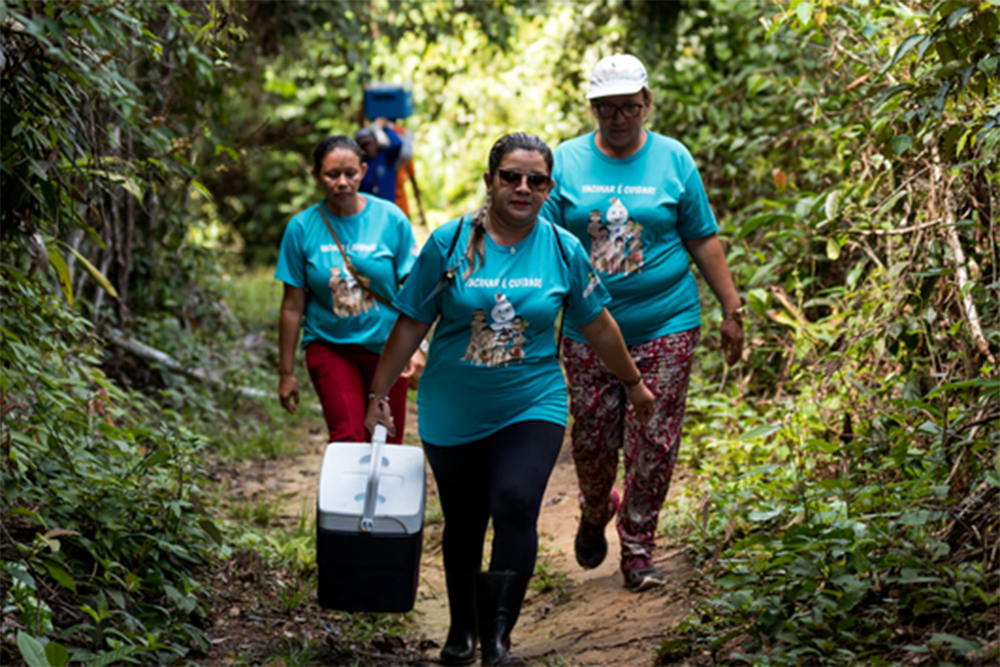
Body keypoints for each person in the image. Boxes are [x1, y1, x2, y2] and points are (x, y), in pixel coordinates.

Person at [363, 133, 656, 667]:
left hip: (531, 402)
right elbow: (411, 321)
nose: (523, 188)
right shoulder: (449, 244)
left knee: (516, 504)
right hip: (454, 409)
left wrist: (633, 382)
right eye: (512, 177)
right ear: (490, 181)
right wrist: (379, 393)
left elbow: (597, 324)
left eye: (536, 180)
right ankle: (461, 633)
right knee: (466, 519)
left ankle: (499, 641)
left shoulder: (563, 248)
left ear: (549, 188)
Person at [541, 54, 745, 592]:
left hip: (667, 321)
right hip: (589, 328)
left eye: (629, 106)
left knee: (653, 438)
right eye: (607, 108)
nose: (618, 117)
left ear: (646, 103)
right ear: (593, 108)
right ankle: (594, 508)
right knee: (592, 439)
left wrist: (732, 309)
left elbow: (701, 235)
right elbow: (539, 243)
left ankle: (637, 547)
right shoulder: (564, 161)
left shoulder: (674, 159)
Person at [275, 135, 423, 444]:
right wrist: (286, 373)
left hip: (389, 348)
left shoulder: (391, 219)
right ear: (315, 175)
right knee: (348, 437)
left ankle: (384, 494)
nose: (342, 182)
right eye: (332, 175)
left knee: (386, 440)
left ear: (364, 171)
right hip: (329, 345)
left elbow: (414, 288)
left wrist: (417, 347)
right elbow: (291, 306)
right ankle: (341, 496)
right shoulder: (301, 228)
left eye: (351, 173)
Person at [356, 119, 403, 204]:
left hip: (388, 207)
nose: (367, 148)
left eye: (369, 143)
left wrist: (385, 127)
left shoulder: (386, 156)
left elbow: (397, 143)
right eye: (363, 145)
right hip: (368, 209)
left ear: (375, 142)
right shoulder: (358, 164)